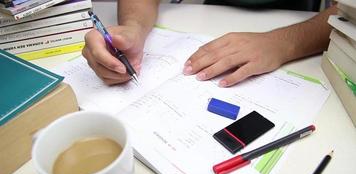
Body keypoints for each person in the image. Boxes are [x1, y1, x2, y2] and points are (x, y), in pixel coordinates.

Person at [82, 0, 337, 87]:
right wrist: (133, 28)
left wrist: (283, 43)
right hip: (207, 21)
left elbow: (348, 13)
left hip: (305, 28)